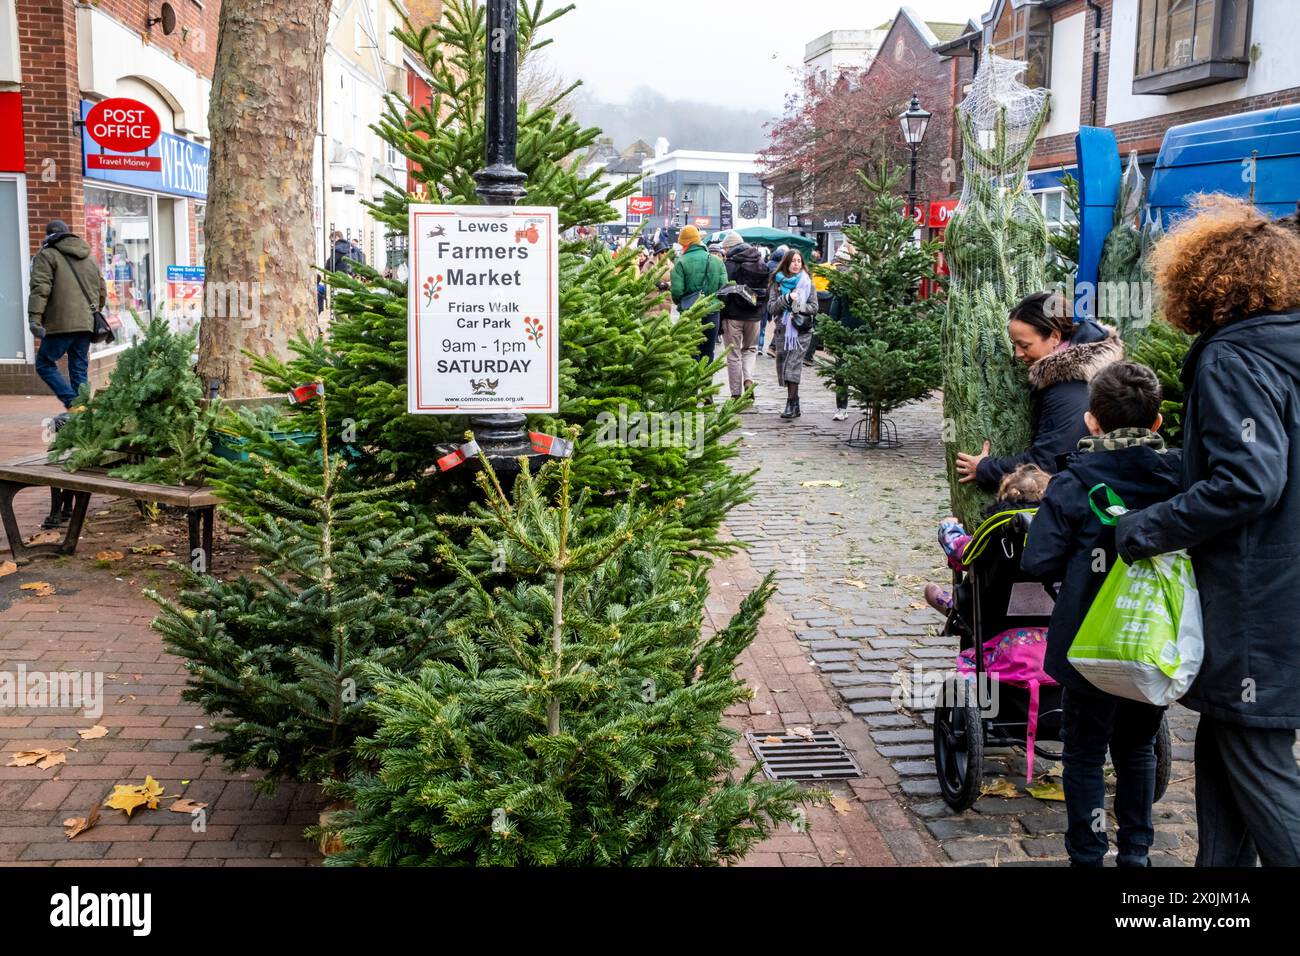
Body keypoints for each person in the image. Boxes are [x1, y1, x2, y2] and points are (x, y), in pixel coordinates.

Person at [1113, 195, 1300, 867]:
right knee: (1228, 744)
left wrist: (1142, 530)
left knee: (1257, 758)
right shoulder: (1283, 349)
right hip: (1280, 590)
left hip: (1259, 596)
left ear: (1204, 282)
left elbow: (1251, 480)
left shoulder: (1233, 357)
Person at [1022, 362, 1182, 867]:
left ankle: (1087, 856)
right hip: (1151, 639)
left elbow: (1037, 560)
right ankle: (1136, 854)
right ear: (1157, 424)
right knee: (1137, 748)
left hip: (1087, 642)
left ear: (1092, 422)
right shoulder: (1179, 478)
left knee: (1085, 751)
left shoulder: (1072, 483)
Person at [955, 290, 1122, 488]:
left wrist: (985, 468)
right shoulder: (1075, 373)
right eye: (1014, 344)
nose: (1017, 354)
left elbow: (1048, 464)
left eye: (1024, 345)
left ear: (1054, 336)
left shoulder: (1069, 388)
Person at [923, 463, 1052, 614]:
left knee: (940, 589)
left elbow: (961, 552)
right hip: (1051, 613)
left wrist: (949, 528)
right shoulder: (1057, 531)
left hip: (992, 613)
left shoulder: (997, 530)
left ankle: (954, 610)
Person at [27, 220, 106, 413]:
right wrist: (92, 313)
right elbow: (101, 290)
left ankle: (73, 403)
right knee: (78, 367)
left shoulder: (47, 256)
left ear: (48, 237)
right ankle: (83, 410)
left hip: (61, 322)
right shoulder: (90, 258)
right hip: (87, 322)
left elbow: (40, 289)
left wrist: (34, 318)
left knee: (44, 363)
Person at [767, 248, 818, 419]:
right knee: (784, 367)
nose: (796, 264)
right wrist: (787, 298)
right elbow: (771, 307)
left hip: (801, 330)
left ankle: (790, 404)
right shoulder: (777, 282)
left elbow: (814, 307)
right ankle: (795, 403)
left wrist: (799, 307)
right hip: (782, 330)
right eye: (793, 261)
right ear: (786, 263)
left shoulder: (807, 281)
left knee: (792, 365)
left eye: (799, 261)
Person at [718, 230, 768, 399]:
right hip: (754, 315)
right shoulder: (760, 261)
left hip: (733, 315)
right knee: (750, 350)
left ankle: (736, 394)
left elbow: (723, 292)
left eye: (725, 248)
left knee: (733, 355)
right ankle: (748, 379)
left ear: (730, 246)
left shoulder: (729, 264)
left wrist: (721, 316)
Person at [670, 224, 726, 365]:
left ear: (685, 243)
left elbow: (677, 292)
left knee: (691, 349)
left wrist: (682, 303)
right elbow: (725, 288)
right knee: (708, 350)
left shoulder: (680, 262)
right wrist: (715, 301)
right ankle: (706, 384)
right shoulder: (717, 261)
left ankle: (692, 385)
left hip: (690, 313)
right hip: (712, 312)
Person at [826, 241, 858, 421]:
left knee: (841, 371)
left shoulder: (841, 283)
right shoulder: (866, 278)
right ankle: (869, 406)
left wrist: (831, 337)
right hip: (864, 332)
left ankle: (841, 408)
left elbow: (833, 311)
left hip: (844, 331)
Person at [760, 244, 789, 356]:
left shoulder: (767, 265)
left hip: (765, 297)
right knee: (780, 322)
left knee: (765, 323)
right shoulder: (782, 270)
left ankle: (762, 346)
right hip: (780, 299)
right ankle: (773, 347)